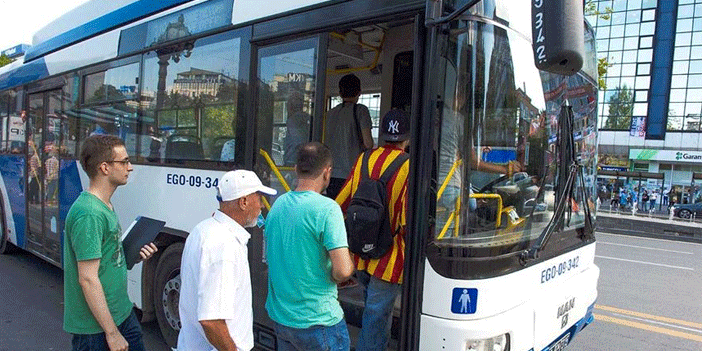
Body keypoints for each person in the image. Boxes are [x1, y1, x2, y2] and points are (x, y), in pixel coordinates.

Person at [63, 135, 158, 351]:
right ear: (105, 167)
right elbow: (87, 279)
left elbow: (108, 259)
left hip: (121, 313)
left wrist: (134, 253)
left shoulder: (104, 205)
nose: (130, 167)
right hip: (97, 329)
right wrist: (112, 334)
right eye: (124, 162)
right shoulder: (89, 213)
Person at [265, 142, 354, 351]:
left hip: (282, 320)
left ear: (296, 169)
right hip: (319, 322)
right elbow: (342, 271)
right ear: (327, 172)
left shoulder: (277, 205)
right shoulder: (328, 209)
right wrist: (345, 268)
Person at [335, 110, 411, 351]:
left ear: (382, 135)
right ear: (407, 138)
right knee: (375, 319)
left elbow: (341, 202)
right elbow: (408, 223)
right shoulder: (409, 167)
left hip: (360, 253)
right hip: (389, 259)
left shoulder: (364, 159)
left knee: (375, 312)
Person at [178, 170, 277, 351]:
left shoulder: (204, 229)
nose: (262, 206)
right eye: (259, 198)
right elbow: (211, 321)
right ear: (244, 202)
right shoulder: (224, 247)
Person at [324, 74, 374, 198]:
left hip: (331, 174)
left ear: (340, 94)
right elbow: (368, 143)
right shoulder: (361, 111)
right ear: (359, 92)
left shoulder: (330, 113)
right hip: (352, 174)